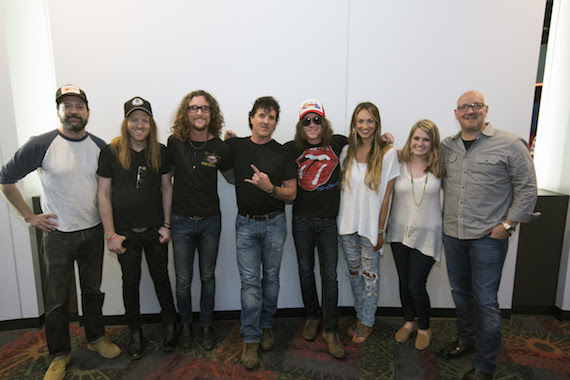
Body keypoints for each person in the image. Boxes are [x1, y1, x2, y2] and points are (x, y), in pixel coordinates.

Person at [0, 85, 121, 380]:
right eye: (67, 106)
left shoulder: (100, 146)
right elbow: (6, 178)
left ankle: (95, 338)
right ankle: (59, 354)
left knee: (92, 292)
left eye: (79, 106)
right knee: (56, 301)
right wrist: (29, 217)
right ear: (59, 111)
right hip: (58, 236)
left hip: (92, 233)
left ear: (88, 112)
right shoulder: (41, 144)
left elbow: (110, 188)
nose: (73, 111)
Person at [440, 90, 537, 380]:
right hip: (453, 235)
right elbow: (417, 157)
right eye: (464, 107)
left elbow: (527, 187)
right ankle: (467, 340)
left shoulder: (509, 144)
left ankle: (485, 366)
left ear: (485, 110)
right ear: (456, 114)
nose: (470, 111)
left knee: (485, 300)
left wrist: (508, 225)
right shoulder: (447, 146)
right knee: (461, 294)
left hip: (488, 239)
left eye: (476, 106)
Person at [97, 97, 178, 359]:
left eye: (144, 120)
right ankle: (135, 330)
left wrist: (167, 225)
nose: (139, 124)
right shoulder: (110, 152)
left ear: (151, 124)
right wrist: (110, 234)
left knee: (161, 278)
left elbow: (167, 188)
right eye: (134, 119)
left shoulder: (161, 151)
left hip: (155, 230)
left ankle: (169, 323)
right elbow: (103, 194)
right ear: (126, 123)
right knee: (130, 283)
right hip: (124, 233)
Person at [225, 96, 297, 369]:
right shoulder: (236, 146)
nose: (266, 121)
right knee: (250, 285)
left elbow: (291, 193)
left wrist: (270, 189)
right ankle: (251, 339)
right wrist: (226, 139)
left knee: (271, 280)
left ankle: (267, 325)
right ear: (251, 118)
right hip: (245, 225)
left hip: (275, 224)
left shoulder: (282, 152)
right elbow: (224, 170)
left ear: (275, 123)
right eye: (261, 115)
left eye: (271, 117)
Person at [167, 90, 232, 351]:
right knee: (182, 281)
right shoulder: (174, 143)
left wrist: (236, 147)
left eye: (204, 108)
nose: (199, 113)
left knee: (208, 277)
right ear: (186, 113)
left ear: (211, 113)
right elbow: (165, 181)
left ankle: (206, 326)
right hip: (181, 221)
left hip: (210, 222)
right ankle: (185, 325)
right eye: (194, 108)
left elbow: (233, 178)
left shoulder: (219, 147)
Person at [284, 99, 347, 359]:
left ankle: (330, 328)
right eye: (306, 120)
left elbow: (368, 141)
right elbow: (259, 147)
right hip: (302, 222)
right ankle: (312, 316)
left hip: (329, 222)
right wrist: (233, 140)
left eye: (316, 119)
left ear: (324, 122)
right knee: (305, 271)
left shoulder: (339, 142)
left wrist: (386, 141)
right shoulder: (291, 148)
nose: (312, 125)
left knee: (329, 277)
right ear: (301, 124)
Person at [337, 102, 400, 344]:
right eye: (361, 121)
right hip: (346, 226)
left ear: (377, 123)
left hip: (371, 228)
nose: (365, 126)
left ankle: (368, 322)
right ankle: (360, 317)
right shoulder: (346, 152)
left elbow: (388, 196)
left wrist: (381, 230)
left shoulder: (388, 153)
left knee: (370, 277)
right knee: (354, 276)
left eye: (370, 121)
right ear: (354, 124)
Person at [386, 119, 445, 350]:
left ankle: (424, 327)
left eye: (426, 139)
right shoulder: (398, 163)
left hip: (428, 234)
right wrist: (385, 141)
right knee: (403, 281)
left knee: (416, 285)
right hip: (399, 232)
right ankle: (409, 322)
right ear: (410, 139)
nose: (420, 143)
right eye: (416, 138)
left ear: (433, 143)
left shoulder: (440, 167)